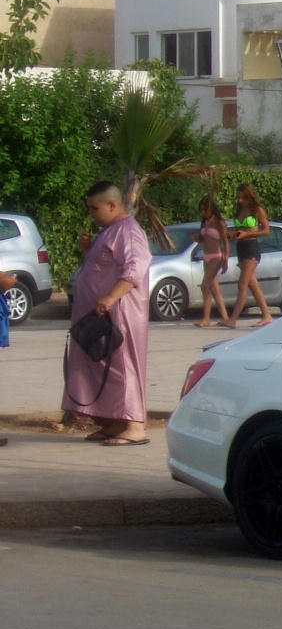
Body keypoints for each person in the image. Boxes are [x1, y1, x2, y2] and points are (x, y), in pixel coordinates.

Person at [63, 181, 153, 447]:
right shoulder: (109, 230)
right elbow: (104, 266)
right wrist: (88, 250)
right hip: (102, 315)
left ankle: (135, 426)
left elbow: (135, 266)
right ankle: (114, 422)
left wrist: (111, 296)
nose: (91, 213)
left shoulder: (127, 230)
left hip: (120, 314)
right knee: (105, 367)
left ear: (112, 205)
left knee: (122, 367)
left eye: (95, 208)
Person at [226, 182, 272, 328]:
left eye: (243, 198)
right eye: (238, 198)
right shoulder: (240, 210)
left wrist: (247, 234)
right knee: (252, 285)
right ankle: (267, 315)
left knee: (242, 285)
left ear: (249, 197)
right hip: (241, 247)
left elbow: (266, 231)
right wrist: (232, 235)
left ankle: (233, 319)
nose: (240, 201)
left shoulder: (257, 210)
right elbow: (240, 230)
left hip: (251, 248)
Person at [192, 196, 231, 328]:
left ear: (211, 209)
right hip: (206, 256)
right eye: (201, 210)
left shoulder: (219, 222)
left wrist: (225, 259)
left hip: (216, 256)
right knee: (214, 289)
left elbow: (225, 241)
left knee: (205, 286)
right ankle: (225, 318)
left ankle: (206, 318)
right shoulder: (205, 222)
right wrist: (195, 238)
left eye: (205, 209)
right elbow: (204, 240)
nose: (203, 212)